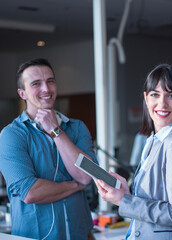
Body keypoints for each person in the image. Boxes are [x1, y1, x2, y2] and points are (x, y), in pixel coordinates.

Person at [94, 63, 172, 239]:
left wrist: (124, 201)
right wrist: (126, 194)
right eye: (155, 94)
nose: (162, 103)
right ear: (146, 99)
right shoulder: (154, 140)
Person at [0, 58, 97, 240]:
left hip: (81, 235)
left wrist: (56, 131)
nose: (46, 89)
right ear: (22, 93)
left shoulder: (77, 128)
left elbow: (86, 175)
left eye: (50, 81)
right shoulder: (11, 135)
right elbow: (30, 192)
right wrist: (76, 186)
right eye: (36, 84)